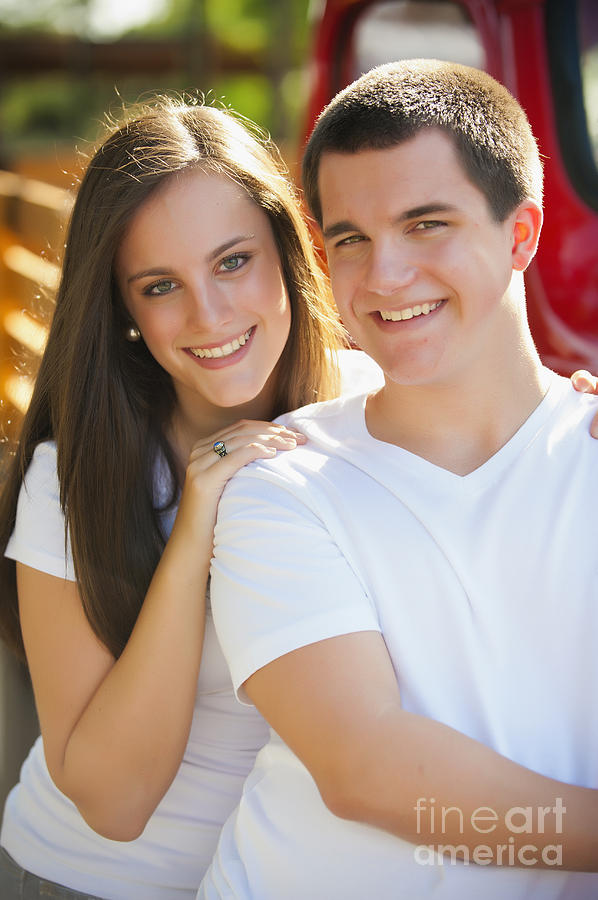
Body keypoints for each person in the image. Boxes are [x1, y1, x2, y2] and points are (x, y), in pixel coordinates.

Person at [199, 60, 598, 899]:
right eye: (350, 238)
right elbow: (365, 769)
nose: (383, 277)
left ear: (520, 235)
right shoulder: (283, 483)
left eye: (426, 225)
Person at [0, 96, 368, 899]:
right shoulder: (77, 477)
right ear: (124, 310)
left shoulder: (384, 410)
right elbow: (114, 803)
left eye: (233, 261)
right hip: (95, 881)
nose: (211, 315)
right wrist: (198, 519)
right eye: (161, 286)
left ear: (286, 247)